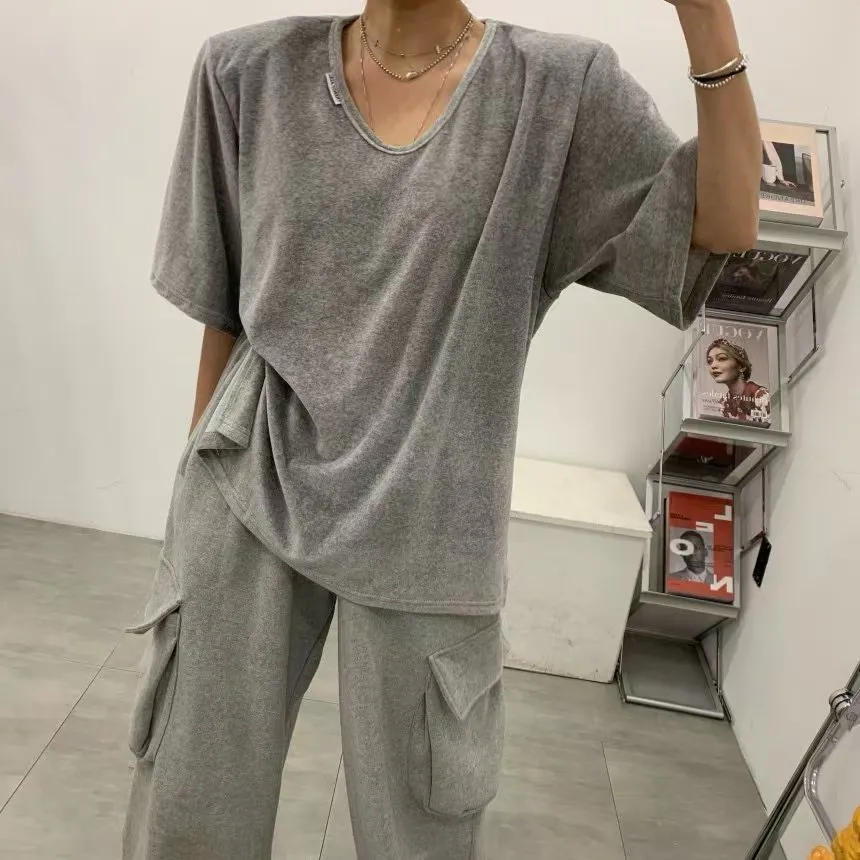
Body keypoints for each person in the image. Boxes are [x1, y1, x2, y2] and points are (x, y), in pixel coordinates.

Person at [122, 0, 761, 857]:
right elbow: (225, 314)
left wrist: (705, 15)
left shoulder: (557, 92)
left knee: (419, 829)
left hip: (432, 505)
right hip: (247, 477)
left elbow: (725, 225)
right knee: (188, 806)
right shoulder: (246, 72)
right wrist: (187, 496)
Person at [706, 337, 771, 424]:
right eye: (709, 361)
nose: (713, 366)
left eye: (722, 358)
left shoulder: (761, 395)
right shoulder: (723, 402)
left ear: (741, 366)